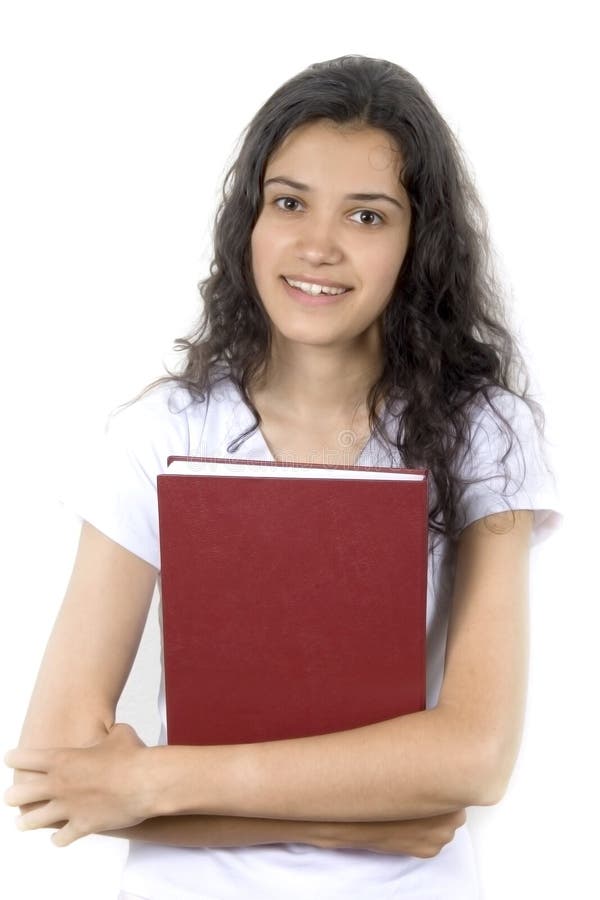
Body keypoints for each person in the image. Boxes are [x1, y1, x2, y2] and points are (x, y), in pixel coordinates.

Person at [3, 54, 560, 900]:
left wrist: (152, 782)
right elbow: (57, 772)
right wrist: (361, 813)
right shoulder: (164, 432)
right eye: (289, 202)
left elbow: (475, 755)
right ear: (250, 219)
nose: (317, 246)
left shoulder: (485, 431)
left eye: (367, 216)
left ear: (419, 244)